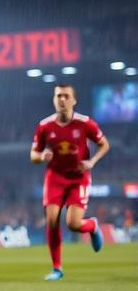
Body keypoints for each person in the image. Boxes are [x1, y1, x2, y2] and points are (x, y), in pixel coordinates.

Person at [30, 84, 108, 280]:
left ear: (74, 100)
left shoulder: (85, 123)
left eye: (66, 96)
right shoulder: (45, 126)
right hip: (55, 177)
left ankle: (92, 226)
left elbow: (104, 144)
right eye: (58, 96)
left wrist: (92, 161)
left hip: (78, 178)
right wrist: (41, 156)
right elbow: (33, 155)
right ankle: (57, 268)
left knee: (73, 224)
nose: (62, 100)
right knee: (51, 220)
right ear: (54, 100)